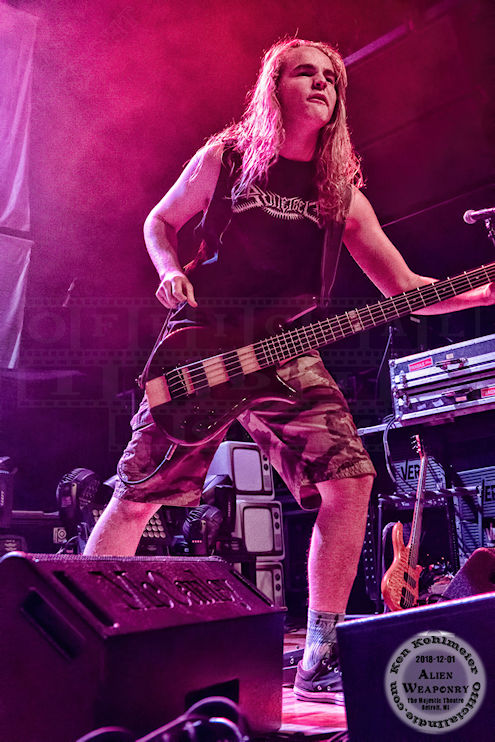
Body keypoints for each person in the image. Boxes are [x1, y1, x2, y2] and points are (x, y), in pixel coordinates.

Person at [84, 38, 495, 701]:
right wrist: (169, 272)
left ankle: (319, 656)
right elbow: (160, 220)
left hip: (286, 347)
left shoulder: (341, 196)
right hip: (206, 341)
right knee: (137, 493)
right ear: (274, 87)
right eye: (306, 72)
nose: (322, 83)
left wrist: (479, 292)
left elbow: (405, 289)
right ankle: (82, 643)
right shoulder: (226, 158)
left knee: (350, 481)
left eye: (331, 76)